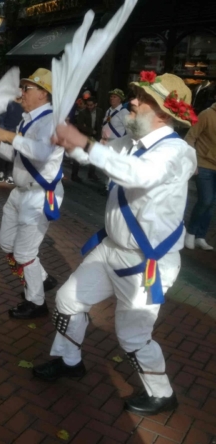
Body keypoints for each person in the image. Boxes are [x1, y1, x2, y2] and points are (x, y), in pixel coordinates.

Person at [33, 72, 197, 417]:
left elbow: (135, 175)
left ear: (164, 115)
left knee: (133, 336)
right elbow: (104, 156)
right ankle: (69, 360)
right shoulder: (133, 143)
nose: (133, 101)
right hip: (111, 249)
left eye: (143, 99)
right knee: (66, 301)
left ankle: (162, 393)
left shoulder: (177, 152)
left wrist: (84, 141)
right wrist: (72, 144)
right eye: (136, 94)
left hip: (146, 263)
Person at [0, 68, 62, 319]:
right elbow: (19, 158)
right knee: (6, 243)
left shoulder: (53, 121)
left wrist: (12, 137)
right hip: (20, 192)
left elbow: (41, 153)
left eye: (27, 88)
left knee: (24, 253)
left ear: (43, 94)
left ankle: (36, 303)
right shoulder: (28, 120)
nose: (21, 93)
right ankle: (42, 279)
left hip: (40, 194)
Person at [185, 98, 216, 250]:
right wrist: (193, 161)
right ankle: (190, 232)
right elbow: (191, 137)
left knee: (211, 204)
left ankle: (200, 236)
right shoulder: (207, 114)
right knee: (206, 200)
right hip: (203, 164)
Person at [71, 96, 101, 182]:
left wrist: (98, 135)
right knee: (78, 155)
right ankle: (74, 175)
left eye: (91, 105)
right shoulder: (82, 113)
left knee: (94, 155)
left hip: (95, 137)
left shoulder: (99, 112)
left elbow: (99, 124)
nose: (89, 107)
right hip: (84, 136)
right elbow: (80, 125)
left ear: (95, 104)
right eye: (88, 105)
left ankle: (91, 173)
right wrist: (92, 131)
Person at [0, 100, 24, 184]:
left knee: (14, 152)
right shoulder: (8, 103)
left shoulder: (24, 106)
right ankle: (1, 172)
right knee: (2, 153)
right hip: (6, 131)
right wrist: (2, 129)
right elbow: (1, 117)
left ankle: (9, 173)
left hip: (16, 133)